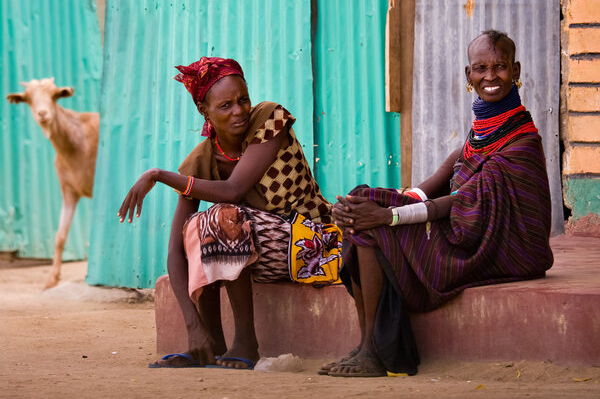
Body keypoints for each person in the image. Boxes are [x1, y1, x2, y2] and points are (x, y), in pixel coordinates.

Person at [323, 30, 554, 377]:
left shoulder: (521, 140)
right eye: (480, 68)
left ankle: (373, 350)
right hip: (466, 225)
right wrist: (359, 207)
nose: (490, 76)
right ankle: (366, 344)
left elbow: (465, 199)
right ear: (468, 75)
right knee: (362, 201)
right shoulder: (482, 130)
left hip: (501, 246)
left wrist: (390, 216)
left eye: (500, 67)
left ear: (516, 71)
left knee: (376, 226)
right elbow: (432, 185)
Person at [118, 57, 342, 369]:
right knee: (195, 228)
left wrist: (159, 174)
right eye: (225, 105)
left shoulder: (269, 119)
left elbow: (234, 190)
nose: (238, 110)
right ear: (204, 111)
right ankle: (209, 341)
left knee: (224, 215)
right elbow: (175, 251)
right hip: (263, 258)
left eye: (242, 100)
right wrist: (192, 327)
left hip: (315, 245)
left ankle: (246, 344)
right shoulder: (202, 159)